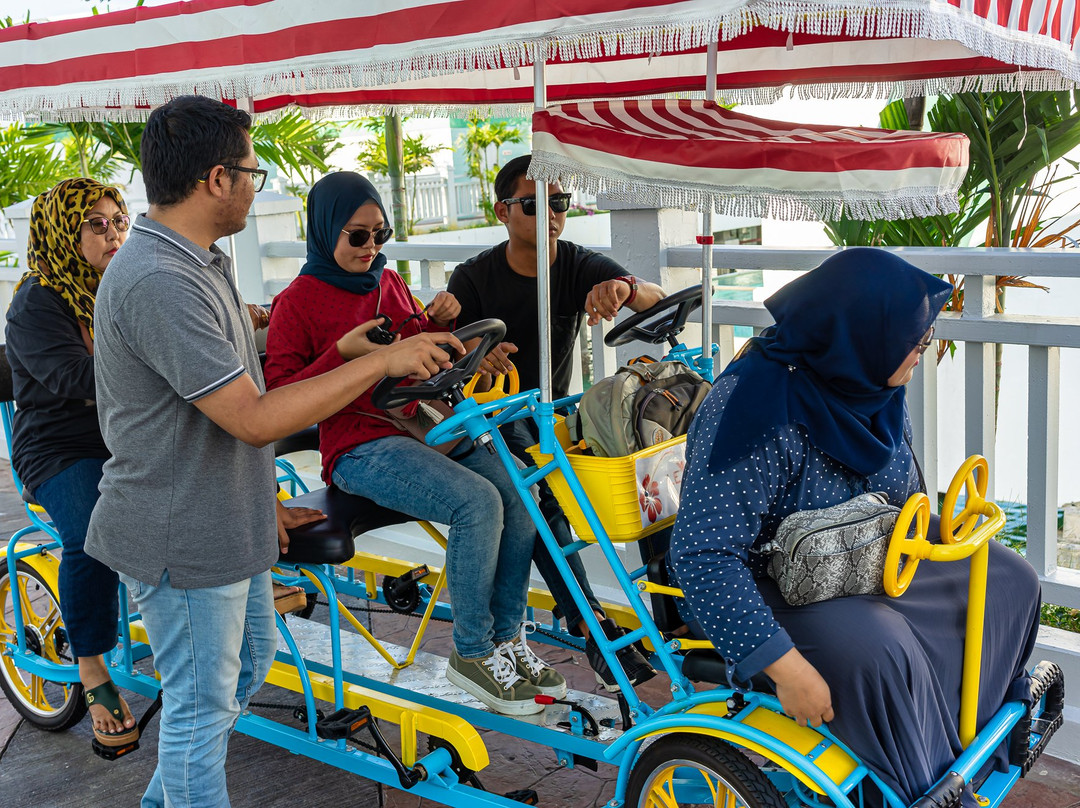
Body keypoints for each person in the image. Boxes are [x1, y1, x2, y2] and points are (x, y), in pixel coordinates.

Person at [85, 96, 461, 808]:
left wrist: (266, 496)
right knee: (199, 709)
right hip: (183, 535)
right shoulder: (161, 279)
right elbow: (254, 419)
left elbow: (239, 395)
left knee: (247, 666)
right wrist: (378, 363)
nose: (260, 185)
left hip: (229, 522)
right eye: (255, 170)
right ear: (218, 178)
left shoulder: (197, 262)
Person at [667, 248, 1042, 807]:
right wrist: (787, 668)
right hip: (768, 584)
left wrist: (941, 536)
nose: (922, 352)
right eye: (916, 341)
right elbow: (703, 557)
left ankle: (961, 750)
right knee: (882, 649)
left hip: (866, 555)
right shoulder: (755, 406)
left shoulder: (871, 388)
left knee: (1010, 580)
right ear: (862, 334)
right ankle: (915, 784)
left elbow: (903, 497)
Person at [264, 170, 566, 716]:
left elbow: (416, 350)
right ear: (325, 230)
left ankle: (505, 640)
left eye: (380, 233)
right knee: (478, 503)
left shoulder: (387, 282)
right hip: (359, 445)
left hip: (424, 425)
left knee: (523, 490)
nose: (372, 247)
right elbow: (281, 396)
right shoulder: (297, 303)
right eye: (357, 236)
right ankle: (472, 653)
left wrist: (440, 322)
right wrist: (344, 354)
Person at [447, 154, 664, 691]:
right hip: (490, 418)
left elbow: (653, 301)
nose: (549, 213)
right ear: (502, 211)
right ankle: (591, 625)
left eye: (558, 202)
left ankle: (671, 613)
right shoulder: (473, 277)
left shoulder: (573, 262)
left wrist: (624, 289)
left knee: (653, 462)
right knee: (538, 488)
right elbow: (452, 354)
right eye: (532, 203)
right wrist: (476, 354)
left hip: (555, 415)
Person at [5, 178, 139, 748]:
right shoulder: (37, 299)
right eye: (96, 224)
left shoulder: (124, 283)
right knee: (93, 532)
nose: (113, 233)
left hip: (124, 432)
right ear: (64, 231)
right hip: (58, 447)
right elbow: (72, 379)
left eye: (118, 220)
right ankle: (92, 664)